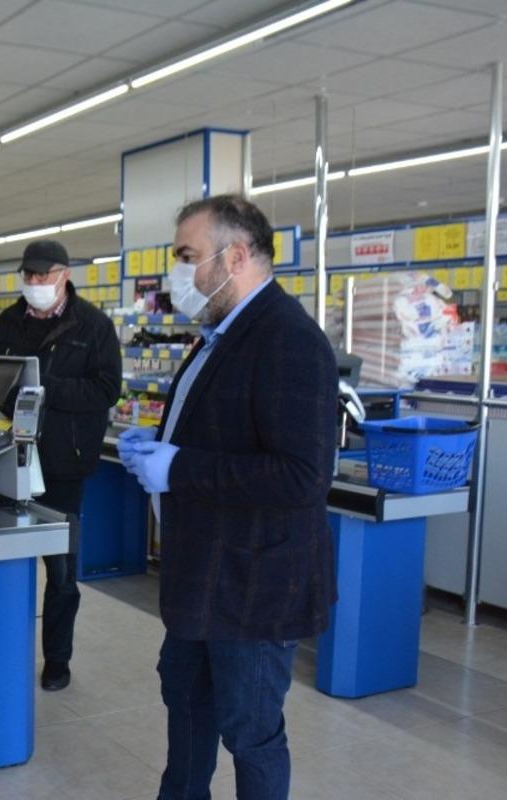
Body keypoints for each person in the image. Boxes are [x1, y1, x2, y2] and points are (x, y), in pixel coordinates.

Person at [117, 195, 337, 800]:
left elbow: (301, 477)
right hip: (200, 576)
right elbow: (214, 426)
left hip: (254, 586)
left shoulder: (290, 341)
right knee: (186, 707)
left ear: (235, 256)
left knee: (250, 731)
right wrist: (158, 445)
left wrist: (181, 467)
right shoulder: (215, 335)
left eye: (187, 257)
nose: (177, 274)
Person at [0, 239, 122, 692]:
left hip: (64, 464)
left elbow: (106, 390)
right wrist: (5, 388)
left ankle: (57, 659)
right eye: (29, 276)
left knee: (60, 571)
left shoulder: (93, 326)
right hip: (10, 457)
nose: (35, 283)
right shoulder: (10, 320)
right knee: (4, 559)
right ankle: (2, 648)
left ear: (65, 274)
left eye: (43, 275)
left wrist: (45, 390)